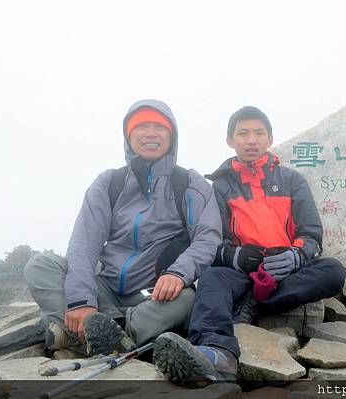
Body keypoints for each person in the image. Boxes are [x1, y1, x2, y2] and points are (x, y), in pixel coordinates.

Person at [152, 106, 346, 386]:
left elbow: (312, 234)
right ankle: (215, 352)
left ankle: (253, 303)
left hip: (285, 272)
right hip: (240, 271)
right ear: (230, 140)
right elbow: (211, 240)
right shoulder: (218, 187)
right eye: (243, 133)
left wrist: (297, 255)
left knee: (333, 271)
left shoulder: (292, 181)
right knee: (211, 277)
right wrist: (235, 256)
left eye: (259, 133)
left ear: (270, 139)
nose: (251, 140)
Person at [20, 99, 221, 356]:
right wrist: (82, 301)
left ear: (172, 136)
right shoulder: (109, 182)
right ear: (128, 135)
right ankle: (104, 330)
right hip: (104, 285)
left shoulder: (190, 183)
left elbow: (208, 238)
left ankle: (88, 332)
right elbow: (84, 243)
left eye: (159, 127)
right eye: (141, 126)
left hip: (152, 293)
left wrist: (178, 274)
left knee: (187, 298)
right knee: (40, 265)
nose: (150, 133)